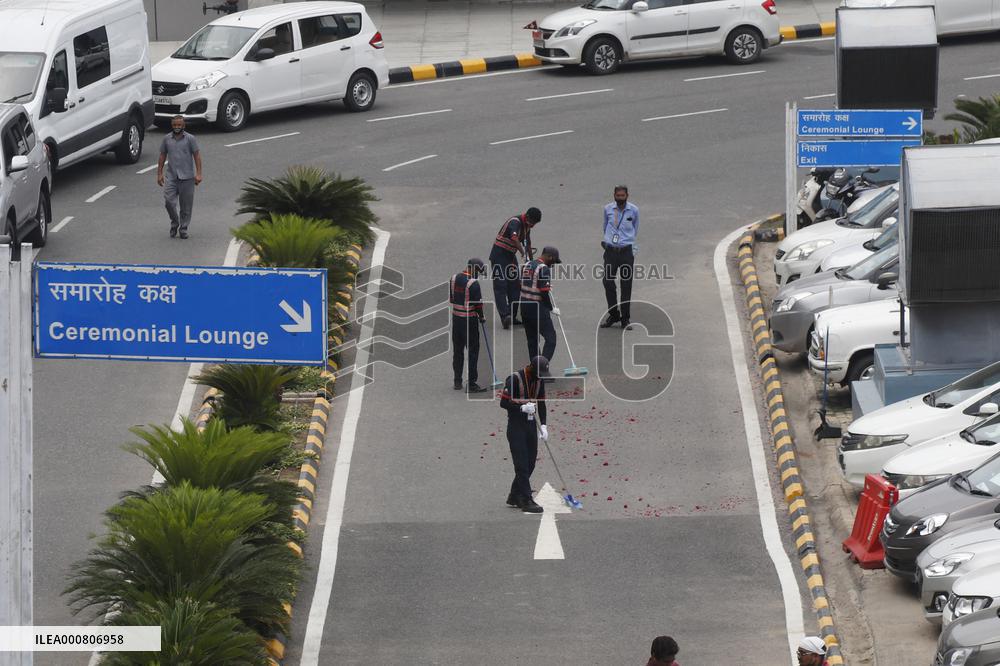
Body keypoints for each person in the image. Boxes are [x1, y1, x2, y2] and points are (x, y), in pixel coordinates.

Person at [500, 355, 550, 513]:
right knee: (521, 464)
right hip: (516, 426)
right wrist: (521, 408)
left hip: (531, 425)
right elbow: (503, 403)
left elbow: (541, 403)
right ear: (532, 369)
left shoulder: (539, 381)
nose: (541, 377)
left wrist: (544, 425)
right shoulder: (515, 379)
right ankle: (526, 499)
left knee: (530, 464)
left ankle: (514, 495)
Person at [490, 207, 541, 329]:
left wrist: (532, 262)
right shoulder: (515, 222)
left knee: (516, 286)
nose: (533, 225)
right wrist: (523, 253)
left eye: (535, 224)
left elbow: (528, 244)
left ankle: (512, 316)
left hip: (510, 257)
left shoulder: (527, 227)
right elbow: (514, 239)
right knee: (501, 286)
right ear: (527, 217)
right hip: (499, 256)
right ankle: (505, 317)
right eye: (532, 222)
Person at [157, 115, 202, 239]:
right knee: (169, 202)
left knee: (186, 207)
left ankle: (183, 228)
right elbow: (162, 156)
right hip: (171, 177)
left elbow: (197, 156)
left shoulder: (190, 139)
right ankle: (175, 222)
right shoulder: (167, 139)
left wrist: (199, 173)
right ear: (172, 125)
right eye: (174, 125)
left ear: (183, 125)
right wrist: (159, 173)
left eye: (179, 125)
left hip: (187, 177)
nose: (177, 127)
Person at [601, 185, 639, 330]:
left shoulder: (634, 210)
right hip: (611, 252)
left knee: (626, 285)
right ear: (614, 195)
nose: (620, 198)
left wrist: (627, 243)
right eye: (618, 196)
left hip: (626, 253)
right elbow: (605, 226)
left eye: (622, 196)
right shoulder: (608, 209)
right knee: (607, 282)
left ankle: (625, 318)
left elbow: (635, 228)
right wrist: (609, 241)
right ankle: (614, 314)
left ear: (627, 196)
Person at [451, 258, 487, 393]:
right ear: (473, 268)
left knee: (458, 351)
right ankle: (471, 383)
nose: (478, 274)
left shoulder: (453, 279)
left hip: (456, 319)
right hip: (469, 321)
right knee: (473, 351)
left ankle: (457, 381)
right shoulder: (473, 284)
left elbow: (452, 299)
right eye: (478, 271)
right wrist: (482, 317)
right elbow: (478, 305)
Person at [519, 245, 561, 362]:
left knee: (532, 341)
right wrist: (551, 308)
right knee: (551, 338)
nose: (553, 265)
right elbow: (543, 293)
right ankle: (542, 366)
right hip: (537, 309)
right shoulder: (544, 269)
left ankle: (535, 368)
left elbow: (521, 284)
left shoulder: (527, 265)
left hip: (524, 307)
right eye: (554, 261)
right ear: (550, 257)